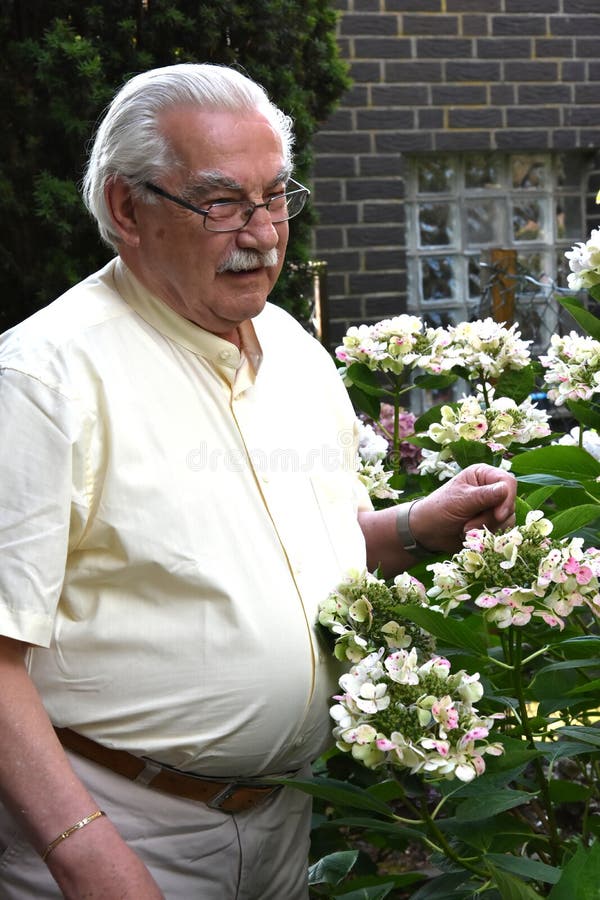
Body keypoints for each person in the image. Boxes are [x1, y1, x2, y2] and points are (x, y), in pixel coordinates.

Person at [0, 63, 516, 900]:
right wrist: (84, 853)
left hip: (283, 821)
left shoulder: (293, 350)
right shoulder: (43, 382)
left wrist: (419, 524)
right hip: (118, 829)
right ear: (128, 209)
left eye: (275, 196)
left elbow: (314, 549)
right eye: (221, 202)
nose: (265, 234)